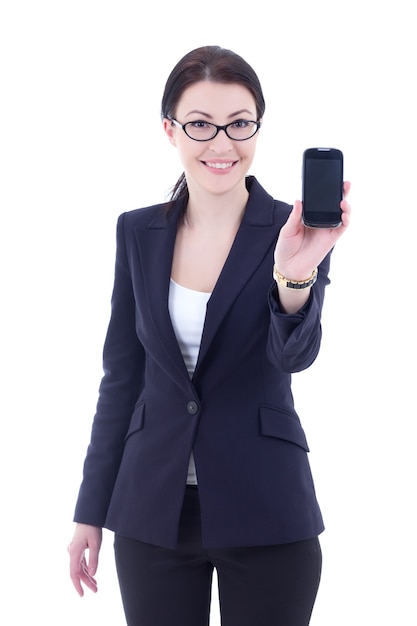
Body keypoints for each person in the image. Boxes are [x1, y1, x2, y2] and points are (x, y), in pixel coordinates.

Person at [68, 45, 351, 626]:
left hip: (267, 507)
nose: (222, 144)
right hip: (153, 510)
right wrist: (89, 511)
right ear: (169, 129)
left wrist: (296, 271)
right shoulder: (138, 232)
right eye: (200, 124)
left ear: (258, 127)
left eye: (239, 123)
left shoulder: (292, 231)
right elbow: (122, 378)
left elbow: (294, 354)